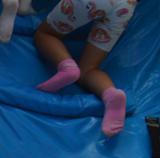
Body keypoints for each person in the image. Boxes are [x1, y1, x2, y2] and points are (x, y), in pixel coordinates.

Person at [34, 0, 137, 137]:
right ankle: (111, 93)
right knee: (89, 68)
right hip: (125, 6)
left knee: (45, 34)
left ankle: (67, 67)